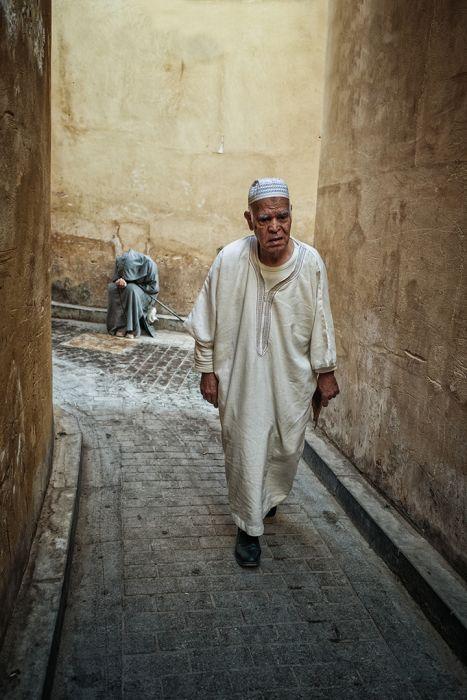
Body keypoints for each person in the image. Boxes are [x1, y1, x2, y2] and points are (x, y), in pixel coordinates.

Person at [185, 178, 339, 567]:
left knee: (285, 448)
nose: (275, 227)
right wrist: (207, 370)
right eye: (265, 219)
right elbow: (206, 320)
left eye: (282, 217)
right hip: (240, 380)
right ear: (249, 220)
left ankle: (266, 497)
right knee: (246, 447)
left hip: (291, 380)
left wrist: (326, 372)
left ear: (291, 216)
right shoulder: (229, 260)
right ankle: (249, 527)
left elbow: (322, 322)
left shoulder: (310, 263)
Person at [106, 249, 159, 339]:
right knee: (112, 288)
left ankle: (131, 329)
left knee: (131, 289)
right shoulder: (120, 261)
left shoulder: (149, 264)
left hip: (147, 294)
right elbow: (116, 278)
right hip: (128, 289)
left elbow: (154, 289)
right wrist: (118, 281)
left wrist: (133, 283)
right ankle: (118, 326)